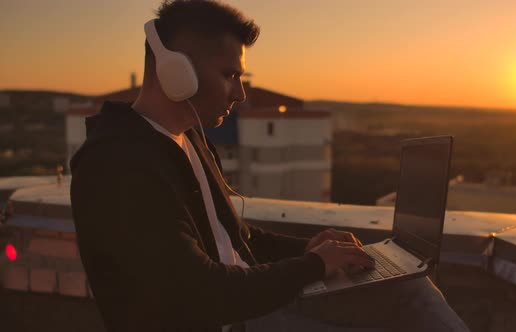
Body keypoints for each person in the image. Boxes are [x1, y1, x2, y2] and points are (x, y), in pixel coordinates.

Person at [70, 1, 469, 331]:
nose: (240, 93)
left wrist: (313, 249)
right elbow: (197, 291)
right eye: (229, 75)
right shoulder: (117, 164)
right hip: (229, 318)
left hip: (250, 305)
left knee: (409, 288)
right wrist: (313, 265)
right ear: (177, 74)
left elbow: (237, 240)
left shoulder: (187, 138)